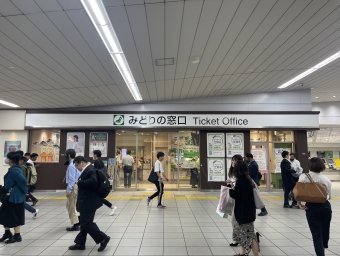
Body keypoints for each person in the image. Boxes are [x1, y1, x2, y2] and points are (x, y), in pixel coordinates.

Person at [68, 156, 110, 252]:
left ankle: (103, 238)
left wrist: (80, 182)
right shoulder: (89, 169)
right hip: (88, 201)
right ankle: (80, 243)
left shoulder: (90, 170)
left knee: (86, 223)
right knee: (84, 223)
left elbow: (93, 181)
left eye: (77, 165)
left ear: (82, 163)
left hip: (89, 202)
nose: (77, 167)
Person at [297, 158, 332, 256]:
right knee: (325, 231)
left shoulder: (304, 177)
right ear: (322, 166)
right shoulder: (326, 179)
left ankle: (320, 254)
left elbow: (298, 192)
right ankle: (323, 250)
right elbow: (329, 196)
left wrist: (299, 203)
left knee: (316, 234)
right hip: (325, 207)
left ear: (309, 166)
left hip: (311, 207)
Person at [228, 161, 259, 256]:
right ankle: (243, 252)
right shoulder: (248, 179)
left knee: (251, 235)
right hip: (248, 211)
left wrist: (230, 189)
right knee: (242, 233)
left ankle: (256, 255)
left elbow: (237, 196)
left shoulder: (241, 181)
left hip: (244, 213)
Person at [0, 152, 27, 244]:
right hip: (10, 196)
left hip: (14, 197)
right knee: (3, 213)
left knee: (15, 215)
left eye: (8, 158)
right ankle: (7, 233)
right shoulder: (12, 169)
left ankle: (17, 235)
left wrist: (24, 191)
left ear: (11, 160)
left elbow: (23, 181)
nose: (6, 159)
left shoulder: (15, 170)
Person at [93, 150, 117, 216]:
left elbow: (96, 173)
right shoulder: (101, 161)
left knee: (98, 197)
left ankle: (112, 207)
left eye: (93, 154)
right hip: (102, 182)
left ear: (95, 155)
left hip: (99, 183)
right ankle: (111, 207)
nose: (93, 156)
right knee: (97, 197)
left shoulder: (97, 162)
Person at [226, 154, 243, 247]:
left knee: (236, 219)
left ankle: (238, 239)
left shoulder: (242, 174)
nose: (233, 162)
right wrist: (229, 184)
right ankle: (237, 238)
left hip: (239, 199)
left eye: (235, 161)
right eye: (232, 160)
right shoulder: (232, 172)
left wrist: (232, 185)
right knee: (234, 219)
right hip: (232, 197)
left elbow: (239, 187)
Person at [65, 149, 81, 231]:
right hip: (76, 186)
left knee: (72, 206)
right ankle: (78, 222)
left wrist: (69, 190)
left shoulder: (71, 165)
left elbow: (71, 179)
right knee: (72, 205)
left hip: (73, 186)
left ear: (68, 155)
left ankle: (76, 225)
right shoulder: (76, 164)